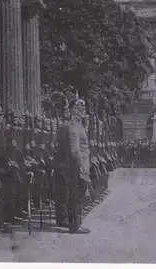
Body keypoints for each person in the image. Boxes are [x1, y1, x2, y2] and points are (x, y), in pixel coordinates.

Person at [57, 93, 91, 234]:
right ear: (74, 109)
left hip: (80, 164)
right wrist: (82, 169)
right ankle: (75, 225)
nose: (83, 109)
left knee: (78, 195)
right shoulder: (73, 126)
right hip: (77, 166)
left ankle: (76, 223)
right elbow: (75, 150)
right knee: (76, 195)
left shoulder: (78, 125)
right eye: (80, 107)